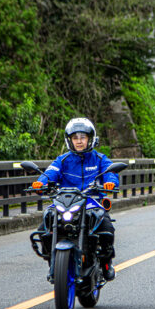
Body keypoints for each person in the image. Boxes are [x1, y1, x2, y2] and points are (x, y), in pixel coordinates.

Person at [31, 117, 119, 281]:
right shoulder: (62, 160)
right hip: (65, 201)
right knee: (44, 228)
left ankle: (106, 263)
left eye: (83, 137)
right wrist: (41, 183)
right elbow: (50, 173)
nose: (79, 141)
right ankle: (54, 263)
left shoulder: (100, 159)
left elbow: (110, 173)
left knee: (107, 228)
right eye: (75, 137)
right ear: (69, 140)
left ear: (90, 139)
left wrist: (110, 183)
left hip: (91, 201)